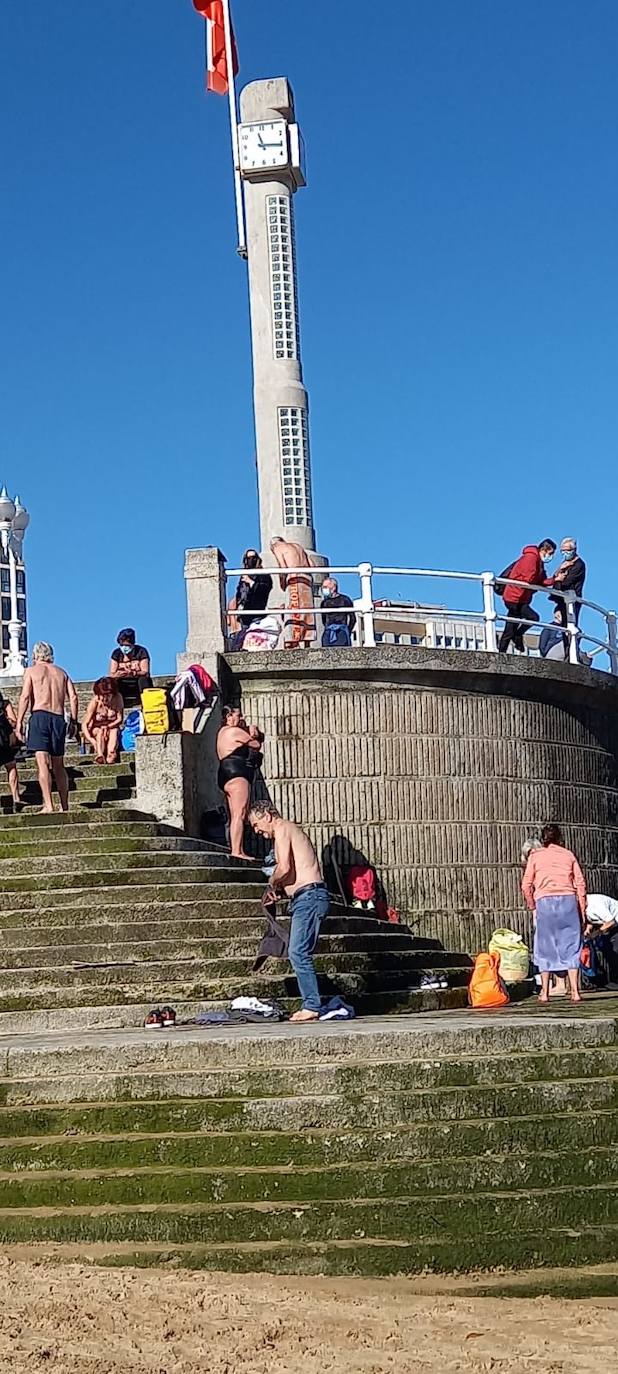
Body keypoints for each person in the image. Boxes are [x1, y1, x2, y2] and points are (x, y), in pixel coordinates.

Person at [249, 799, 330, 1021]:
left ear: (267, 815)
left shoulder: (282, 827)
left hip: (310, 897)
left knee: (297, 952)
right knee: (298, 951)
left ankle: (312, 1005)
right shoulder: (288, 830)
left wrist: (271, 884)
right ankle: (311, 1003)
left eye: (256, 824)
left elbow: (283, 867)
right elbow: (294, 872)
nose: (256, 831)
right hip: (306, 897)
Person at [521, 823, 585, 1004]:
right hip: (568, 901)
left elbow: (526, 885)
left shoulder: (535, 856)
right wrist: (582, 909)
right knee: (572, 944)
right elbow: (580, 884)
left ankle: (545, 993)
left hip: (545, 903)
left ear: (544, 839)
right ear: (560, 838)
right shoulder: (568, 855)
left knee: (545, 946)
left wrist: (532, 905)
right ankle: (575, 992)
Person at [15, 642, 79, 814]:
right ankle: (65, 805)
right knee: (59, 764)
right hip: (58, 718)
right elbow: (73, 697)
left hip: (40, 716)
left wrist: (19, 722)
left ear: (35, 656)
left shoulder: (31, 671)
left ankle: (48, 805)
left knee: (42, 763)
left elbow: (25, 696)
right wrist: (73, 720)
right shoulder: (61, 673)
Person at [216, 706, 263, 859]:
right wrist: (253, 730)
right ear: (229, 716)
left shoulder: (221, 732)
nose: (241, 718)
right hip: (237, 771)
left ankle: (236, 848)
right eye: (238, 715)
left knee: (234, 814)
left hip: (225, 772)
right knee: (239, 813)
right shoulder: (234, 731)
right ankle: (237, 850)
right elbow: (256, 744)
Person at [498, 539, 557, 654]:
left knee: (511, 626)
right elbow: (528, 579)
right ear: (543, 550)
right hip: (515, 597)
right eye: (550, 553)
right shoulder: (531, 558)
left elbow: (540, 581)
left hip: (520, 598)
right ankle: (517, 637)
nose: (551, 557)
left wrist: (554, 579)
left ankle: (502, 650)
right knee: (531, 618)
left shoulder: (538, 562)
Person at [270, 537, 315, 649]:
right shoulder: (298, 546)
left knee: (294, 610)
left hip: (294, 577)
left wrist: (282, 582)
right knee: (308, 611)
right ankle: (307, 643)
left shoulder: (277, 547)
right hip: (307, 577)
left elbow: (283, 567)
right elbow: (313, 565)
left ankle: (293, 643)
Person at [228, 549, 273, 648]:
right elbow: (239, 593)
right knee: (241, 640)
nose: (250, 560)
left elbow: (264, 590)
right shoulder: (244, 576)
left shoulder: (264, 575)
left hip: (257, 612)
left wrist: (252, 582)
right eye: (248, 558)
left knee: (252, 639)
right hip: (244, 614)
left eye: (253, 558)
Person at [550, 538, 586, 644]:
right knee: (564, 628)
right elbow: (555, 579)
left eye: (568, 550)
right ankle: (567, 652)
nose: (565, 553)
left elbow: (566, 582)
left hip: (573, 600)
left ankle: (571, 653)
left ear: (574, 549)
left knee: (571, 627)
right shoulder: (565, 564)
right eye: (563, 551)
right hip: (561, 600)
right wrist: (559, 572)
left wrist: (558, 580)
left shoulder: (579, 565)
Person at [81, 677, 124, 764]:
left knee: (114, 731)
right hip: (97, 728)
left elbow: (120, 718)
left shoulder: (118, 698)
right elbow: (84, 724)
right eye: (102, 696)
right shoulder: (95, 702)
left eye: (108, 696)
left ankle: (111, 753)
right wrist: (91, 740)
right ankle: (100, 754)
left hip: (112, 726)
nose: (105, 699)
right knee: (100, 732)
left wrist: (108, 726)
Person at [109, 629, 152, 706]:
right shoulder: (116, 653)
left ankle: (146, 702)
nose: (124, 648)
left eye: (127, 645)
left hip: (137, 681)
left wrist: (134, 672)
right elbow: (112, 674)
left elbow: (145, 672)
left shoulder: (141, 651)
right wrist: (120, 674)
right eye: (122, 645)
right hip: (123, 681)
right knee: (112, 682)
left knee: (143, 680)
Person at [584, 893, 618, 989]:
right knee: (602, 947)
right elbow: (591, 918)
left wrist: (597, 933)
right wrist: (588, 930)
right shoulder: (583, 906)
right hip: (607, 926)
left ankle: (615, 980)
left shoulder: (595, 904)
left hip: (614, 923)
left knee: (614, 950)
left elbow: (611, 921)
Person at [0, 691, 23, 813]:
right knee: (11, 766)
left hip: (3, 737)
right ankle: (15, 797)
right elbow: (13, 722)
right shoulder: (5, 704)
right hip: (3, 738)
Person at [320, 577, 357, 647]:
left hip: (341, 631)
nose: (323, 589)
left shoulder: (345, 600)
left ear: (333, 588)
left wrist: (347, 631)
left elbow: (353, 618)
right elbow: (323, 619)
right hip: (328, 632)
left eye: (325, 587)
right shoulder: (324, 603)